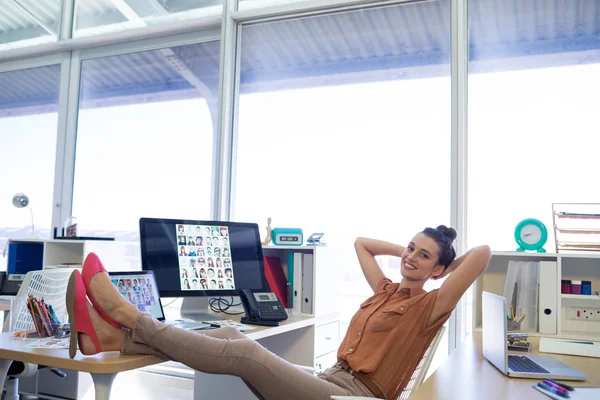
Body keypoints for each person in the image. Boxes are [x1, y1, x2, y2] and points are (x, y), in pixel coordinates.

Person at [66, 227, 491, 400]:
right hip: (328, 379)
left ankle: (124, 314)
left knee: (246, 354)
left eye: (424, 255)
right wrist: (411, 253)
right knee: (236, 340)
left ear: (439, 269)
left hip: (352, 398)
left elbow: (483, 254)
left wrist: (443, 269)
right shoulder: (385, 290)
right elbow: (361, 243)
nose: (412, 257)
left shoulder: (431, 305)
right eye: (411, 248)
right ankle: (109, 338)